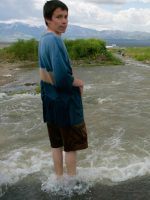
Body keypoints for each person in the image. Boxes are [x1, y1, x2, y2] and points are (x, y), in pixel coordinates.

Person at [38, 0, 88, 178]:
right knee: (71, 146)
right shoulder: (55, 40)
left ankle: (59, 180)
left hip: (50, 101)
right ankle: (72, 185)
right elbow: (61, 78)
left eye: (66, 17)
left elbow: (46, 74)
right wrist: (79, 83)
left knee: (56, 145)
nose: (64, 21)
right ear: (47, 19)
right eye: (58, 17)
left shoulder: (43, 39)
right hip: (65, 102)